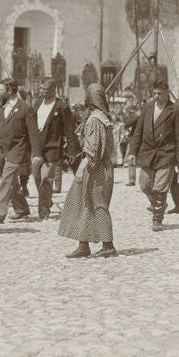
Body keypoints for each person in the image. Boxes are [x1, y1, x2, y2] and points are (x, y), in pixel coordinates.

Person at [59, 83, 118, 258]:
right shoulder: (103, 117)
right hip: (103, 167)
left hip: (96, 169)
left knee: (97, 205)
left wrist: (80, 170)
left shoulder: (94, 120)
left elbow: (92, 151)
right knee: (85, 204)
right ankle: (83, 243)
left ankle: (108, 245)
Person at [126, 79, 179, 232]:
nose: (156, 96)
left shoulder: (175, 110)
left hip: (166, 153)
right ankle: (158, 204)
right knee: (144, 184)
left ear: (167, 93)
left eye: (160, 94)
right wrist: (132, 152)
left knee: (160, 187)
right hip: (148, 153)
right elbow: (138, 132)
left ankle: (157, 219)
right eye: (154, 93)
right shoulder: (147, 108)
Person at [30, 76, 80, 221]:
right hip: (38, 147)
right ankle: (46, 198)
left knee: (46, 178)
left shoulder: (61, 106)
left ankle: (43, 210)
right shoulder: (38, 103)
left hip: (53, 147)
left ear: (52, 90)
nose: (41, 92)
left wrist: (72, 150)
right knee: (36, 176)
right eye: (40, 89)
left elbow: (70, 130)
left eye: (44, 89)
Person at [0, 78, 38, 223]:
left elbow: (33, 132)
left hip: (17, 150)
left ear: (9, 91)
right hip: (0, 149)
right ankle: (22, 208)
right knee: (11, 181)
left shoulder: (25, 108)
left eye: (1, 89)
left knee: (6, 179)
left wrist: (36, 154)